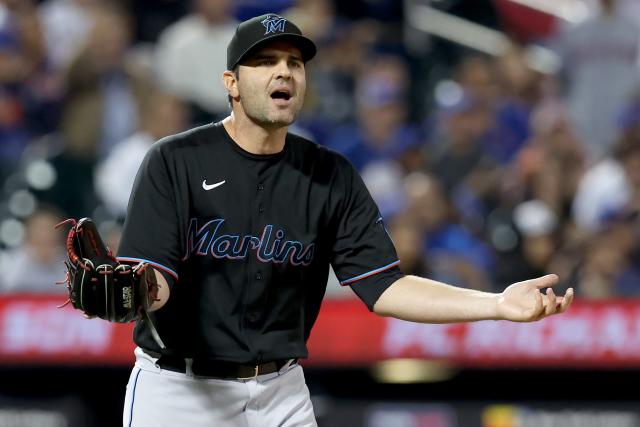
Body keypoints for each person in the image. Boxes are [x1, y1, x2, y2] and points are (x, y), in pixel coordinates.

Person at [116, 13, 573, 427]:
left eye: (295, 63)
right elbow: (154, 279)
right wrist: (132, 290)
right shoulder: (175, 161)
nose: (284, 72)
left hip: (280, 391)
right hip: (180, 389)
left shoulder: (329, 174)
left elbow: (385, 286)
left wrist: (494, 305)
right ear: (231, 83)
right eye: (266, 61)